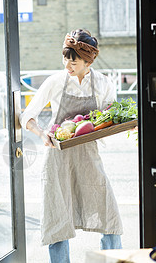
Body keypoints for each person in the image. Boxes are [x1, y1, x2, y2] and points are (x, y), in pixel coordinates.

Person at [19, 29, 123, 263]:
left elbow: (112, 115)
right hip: (58, 157)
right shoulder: (55, 82)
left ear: (88, 61)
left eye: (73, 61)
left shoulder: (103, 83)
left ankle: (116, 259)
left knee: (109, 215)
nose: (68, 64)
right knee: (58, 217)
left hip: (88, 156)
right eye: (65, 58)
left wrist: (121, 123)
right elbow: (28, 116)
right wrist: (42, 133)